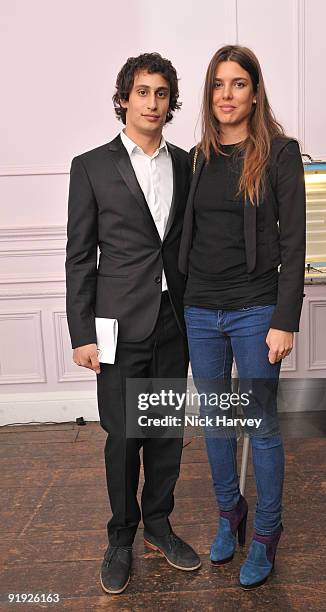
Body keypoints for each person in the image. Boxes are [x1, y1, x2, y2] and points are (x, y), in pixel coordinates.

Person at [65, 52, 200, 595]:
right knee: (123, 437)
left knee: (166, 433)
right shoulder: (91, 166)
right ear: (124, 98)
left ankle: (158, 525)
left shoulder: (188, 163)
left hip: (174, 321)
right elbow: (80, 256)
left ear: (171, 102)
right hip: (117, 327)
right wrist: (82, 334)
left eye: (162, 93)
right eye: (142, 92)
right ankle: (120, 536)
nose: (152, 102)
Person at [179, 45, 306, 589]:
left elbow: (295, 242)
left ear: (255, 92)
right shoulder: (197, 156)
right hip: (200, 311)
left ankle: (266, 535)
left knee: (261, 426)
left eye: (237, 84)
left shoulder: (279, 152)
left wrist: (285, 319)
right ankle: (230, 515)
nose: (226, 95)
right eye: (218, 84)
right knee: (217, 425)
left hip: (257, 311)